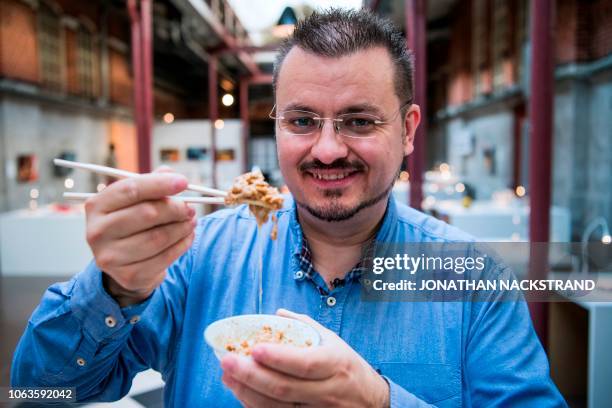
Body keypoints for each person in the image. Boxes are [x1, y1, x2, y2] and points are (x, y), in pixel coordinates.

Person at [12, 9, 566, 407]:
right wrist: (116, 289)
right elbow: (39, 392)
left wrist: (381, 402)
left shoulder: (470, 278)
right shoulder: (196, 256)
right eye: (302, 121)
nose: (327, 149)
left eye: (359, 120)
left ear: (408, 129)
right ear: (277, 126)